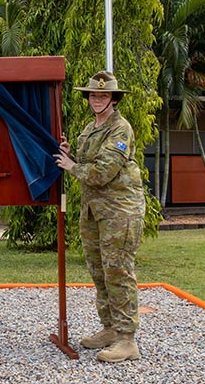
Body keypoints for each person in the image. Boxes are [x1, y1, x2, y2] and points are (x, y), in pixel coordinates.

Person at [54, 71, 145, 363]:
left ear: (114, 99)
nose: (97, 99)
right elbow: (88, 164)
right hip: (95, 212)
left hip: (120, 212)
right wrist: (71, 154)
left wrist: (70, 166)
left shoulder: (121, 130)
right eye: (93, 95)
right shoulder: (89, 129)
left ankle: (127, 340)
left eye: (103, 95)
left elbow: (101, 172)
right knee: (100, 272)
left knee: (118, 272)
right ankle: (110, 329)